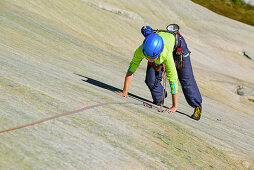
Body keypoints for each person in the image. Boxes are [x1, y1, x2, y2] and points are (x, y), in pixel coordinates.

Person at [117, 25, 202, 120]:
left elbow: (173, 79)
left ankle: (197, 106)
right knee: (150, 80)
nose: (149, 60)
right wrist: (125, 91)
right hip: (156, 48)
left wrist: (174, 106)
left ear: (159, 54)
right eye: (147, 57)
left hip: (178, 47)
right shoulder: (143, 50)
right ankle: (160, 97)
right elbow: (131, 70)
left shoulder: (166, 55)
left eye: (151, 58)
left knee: (186, 79)